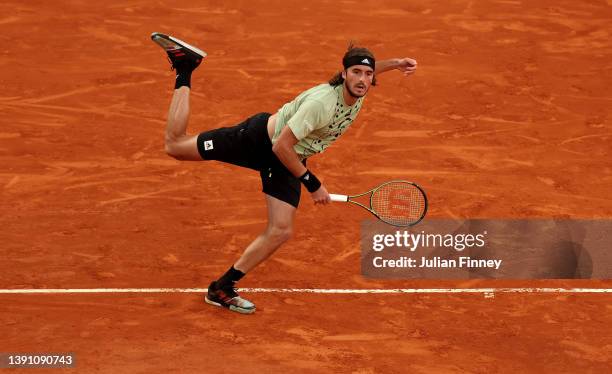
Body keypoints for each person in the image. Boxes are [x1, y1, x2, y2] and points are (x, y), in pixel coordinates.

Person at [151, 32, 417, 314]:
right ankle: (184, 67)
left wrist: (397, 62)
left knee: (280, 230)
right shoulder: (321, 105)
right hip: (258, 141)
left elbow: (372, 69)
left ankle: (222, 287)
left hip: (287, 159)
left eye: (367, 73)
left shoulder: (359, 87)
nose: (362, 79)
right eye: (356, 72)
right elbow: (281, 146)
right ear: (344, 74)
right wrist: (312, 183)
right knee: (175, 146)